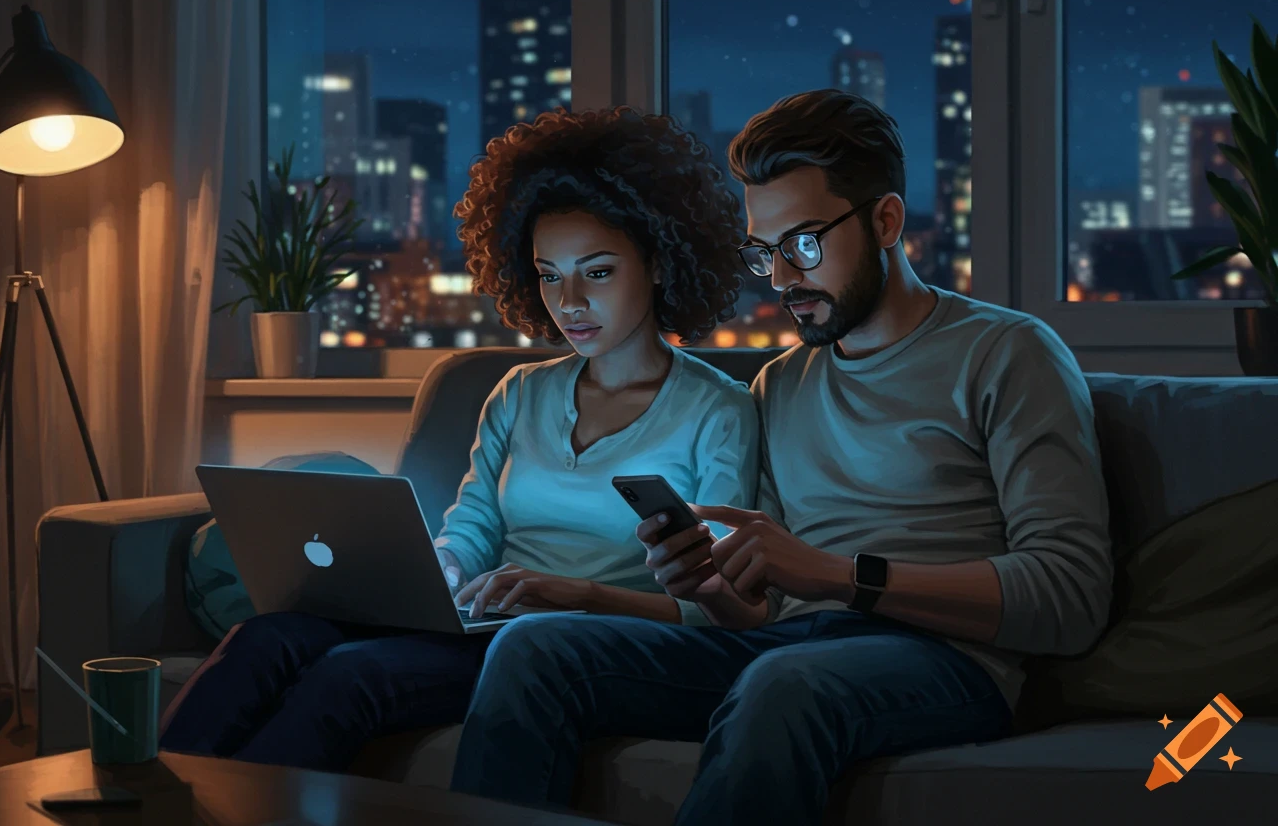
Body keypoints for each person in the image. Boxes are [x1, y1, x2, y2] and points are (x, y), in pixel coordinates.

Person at [448, 89, 1114, 826]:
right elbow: (758, 614)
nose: (781, 280)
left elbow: (1070, 594)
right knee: (535, 651)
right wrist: (707, 584)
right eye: (764, 253)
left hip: (944, 662)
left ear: (886, 221)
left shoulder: (1005, 353)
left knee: (784, 683)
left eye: (802, 245)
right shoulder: (781, 383)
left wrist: (835, 574)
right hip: (794, 646)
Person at [159, 106, 760, 771]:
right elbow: (472, 524)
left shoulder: (719, 410)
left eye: (597, 272)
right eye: (548, 274)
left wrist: (573, 593)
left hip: (571, 644)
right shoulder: (518, 392)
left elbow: (711, 610)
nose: (569, 302)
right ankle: (140, 800)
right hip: (480, 616)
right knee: (264, 638)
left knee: (348, 678)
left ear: (658, 263)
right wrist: (442, 567)